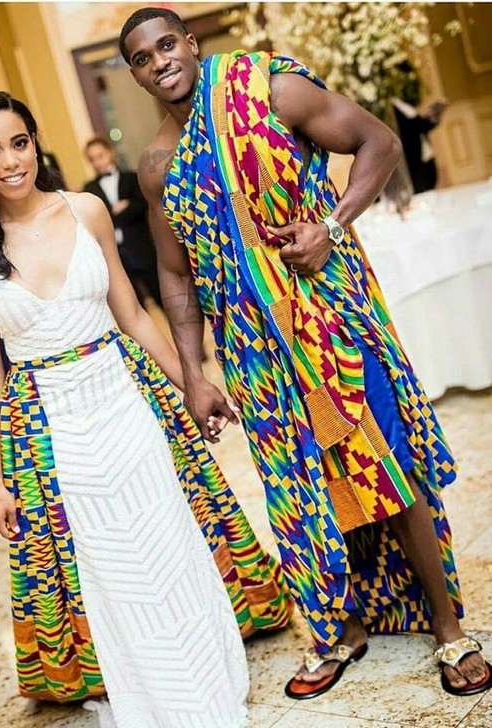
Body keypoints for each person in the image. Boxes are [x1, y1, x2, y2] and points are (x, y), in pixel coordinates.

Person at [120, 7, 492, 700]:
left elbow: (379, 142)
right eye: (142, 58)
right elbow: (174, 272)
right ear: (136, 75)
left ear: (191, 43)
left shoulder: (268, 90)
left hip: (328, 320)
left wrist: (331, 224)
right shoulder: (155, 166)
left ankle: (447, 625)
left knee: (387, 457)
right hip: (253, 354)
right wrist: (194, 374)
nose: (159, 61)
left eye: (167, 44)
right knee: (298, 486)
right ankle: (341, 627)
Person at [0, 91, 292, 727]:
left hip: (124, 398)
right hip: (50, 427)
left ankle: (200, 670)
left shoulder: (85, 210)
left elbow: (131, 313)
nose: (11, 162)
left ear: (36, 142)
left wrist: (193, 381)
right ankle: (150, 687)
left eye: (19, 143)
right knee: (108, 562)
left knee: (165, 536)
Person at [83, 137, 163, 309]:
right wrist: (118, 209)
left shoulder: (131, 178)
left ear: (110, 153)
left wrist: (119, 211)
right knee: (132, 306)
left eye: (100, 156)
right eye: (92, 159)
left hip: (141, 250)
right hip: (115, 258)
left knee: (162, 297)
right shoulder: (89, 189)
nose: (97, 163)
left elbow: (143, 206)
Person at [391, 62, 447, 194]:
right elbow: (417, 126)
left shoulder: (404, 104)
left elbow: (420, 126)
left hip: (423, 159)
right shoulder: (393, 107)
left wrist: (433, 116)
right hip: (413, 166)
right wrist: (430, 118)